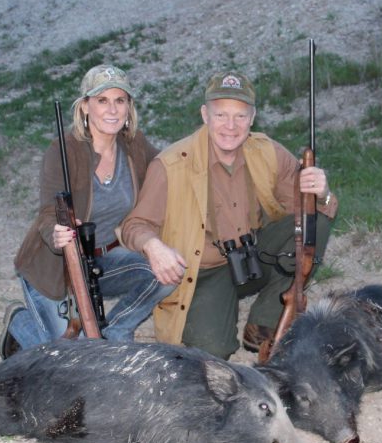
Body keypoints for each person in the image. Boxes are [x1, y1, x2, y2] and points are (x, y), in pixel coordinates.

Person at [120, 71, 337, 360]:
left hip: (254, 257)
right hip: (204, 271)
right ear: (205, 115)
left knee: (314, 224)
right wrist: (154, 246)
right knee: (213, 351)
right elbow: (134, 225)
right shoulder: (171, 165)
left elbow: (311, 207)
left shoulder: (267, 152)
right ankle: (221, 308)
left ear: (253, 117)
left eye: (240, 116)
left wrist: (320, 191)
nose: (231, 126)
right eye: (221, 115)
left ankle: (266, 319)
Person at [0, 64, 176, 358]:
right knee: (71, 359)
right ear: (84, 107)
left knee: (167, 271)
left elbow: (169, 169)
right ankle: (19, 322)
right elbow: (47, 212)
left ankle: (117, 330)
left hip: (105, 260)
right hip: (54, 270)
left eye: (120, 100)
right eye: (102, 100)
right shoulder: (63, 150)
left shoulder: (134, 144)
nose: (112, 110)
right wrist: (55, 234)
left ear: (129, 107)